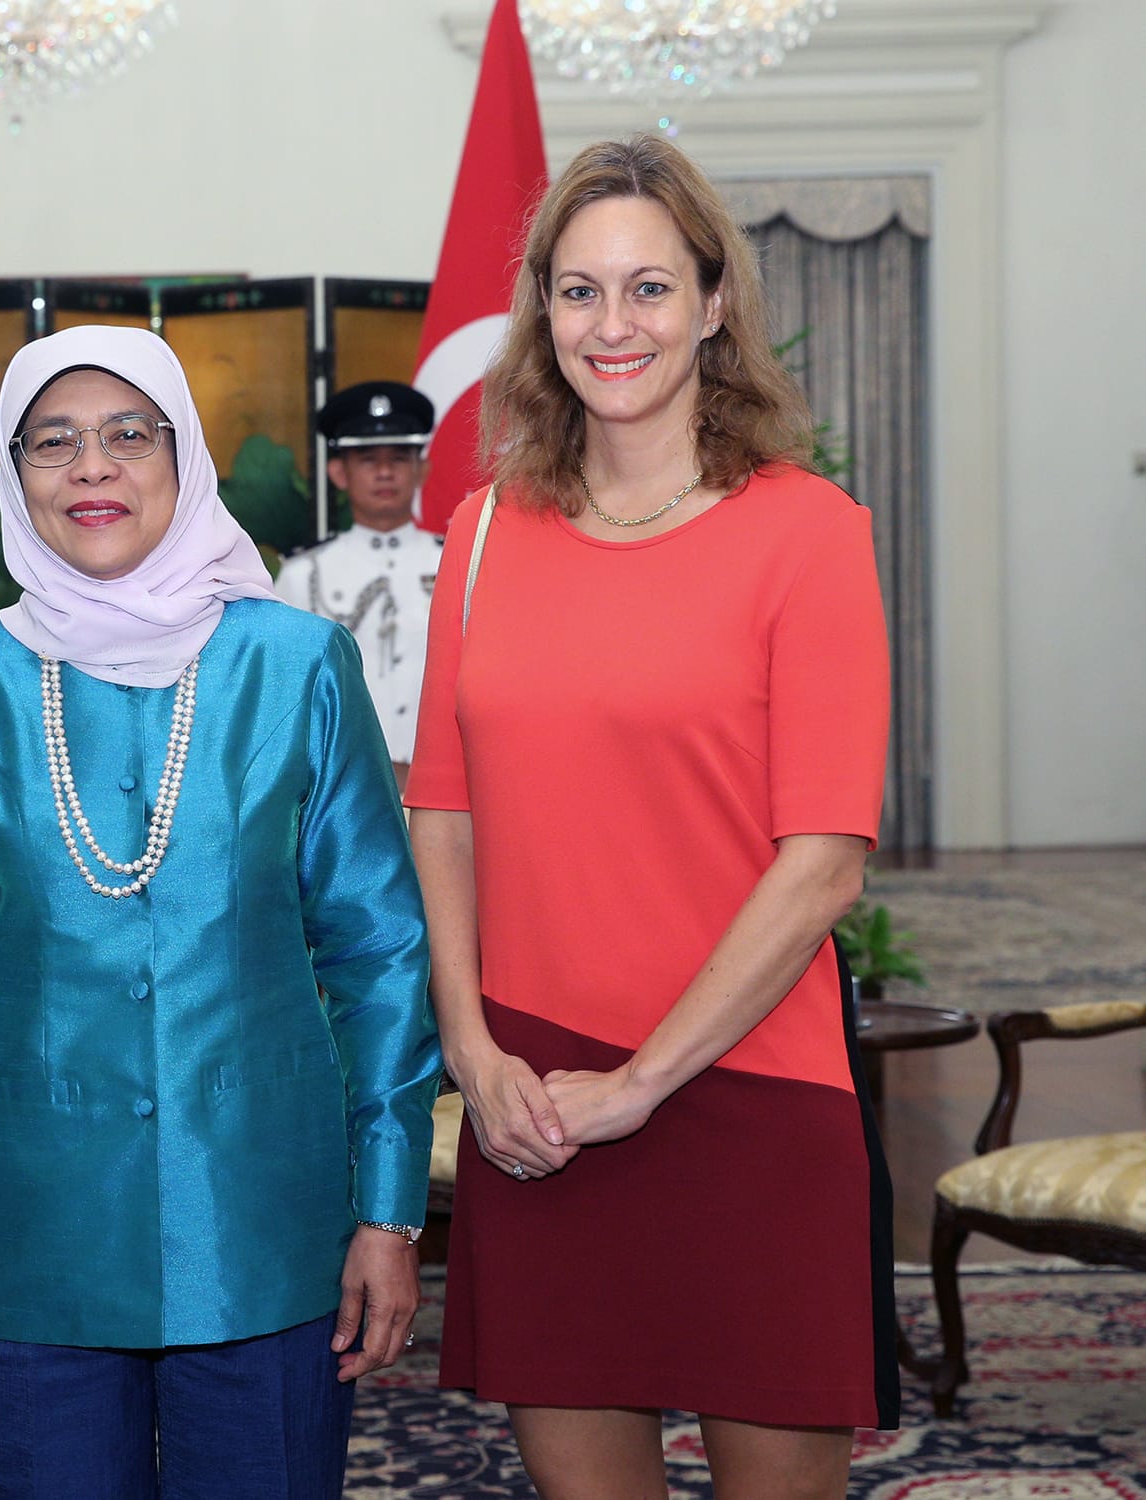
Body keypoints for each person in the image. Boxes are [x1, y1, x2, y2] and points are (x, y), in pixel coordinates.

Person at [404, 133, 897, 1500]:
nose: (611, 324)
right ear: (541, 314)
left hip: (746, 1079)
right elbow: (441, 812)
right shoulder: (485, 533)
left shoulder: (809, 531)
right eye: (578, 291)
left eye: (648, 288)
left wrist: (643, 1083)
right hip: (538, 1100)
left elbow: (824, 864)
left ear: (713, 302)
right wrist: (471, 1049)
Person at [0, 325, 441, 1498]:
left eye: (130, 434)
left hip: (264, 1230)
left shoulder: (298, 666)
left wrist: (388, 1212)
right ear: (15, 473)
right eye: (53, 442)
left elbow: (380, 950)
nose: (92, 467)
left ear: (184, 460)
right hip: (37, 1244)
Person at [273, 381, 443, 783]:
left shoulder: (458, 562)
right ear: (338, 473)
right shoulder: (304, 574)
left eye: (398, 458)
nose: (384, 472)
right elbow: (287, 695)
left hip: (442, 784)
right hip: (343, 785)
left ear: (421, 469)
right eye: (368, 460)